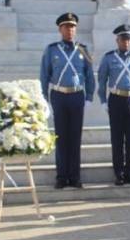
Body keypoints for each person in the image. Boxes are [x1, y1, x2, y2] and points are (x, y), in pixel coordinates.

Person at [40, 13, 95, 189]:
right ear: (60, 29)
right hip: (59, 96)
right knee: (61, 137)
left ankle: (75, 176)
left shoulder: (83, 50)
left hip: (76, 96)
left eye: (72, 27)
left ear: (75, 29)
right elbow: (44, 75)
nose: (69, 30)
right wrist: (44, 98)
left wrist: (89, 96)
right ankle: (62, 176)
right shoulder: (52, 50)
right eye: (66, 27)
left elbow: (89, 75)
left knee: (75, 137)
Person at [97, 24, 130, 186]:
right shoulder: (108, 58)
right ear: (117, 40)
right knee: (117, 138)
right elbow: (102, 81)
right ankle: (118, 173)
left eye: (128, 39)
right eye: (122, 39)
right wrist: (104, 101)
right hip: (116, 100)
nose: (125, 42)